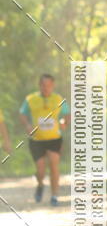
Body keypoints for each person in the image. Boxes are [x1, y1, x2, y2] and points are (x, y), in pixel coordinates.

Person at [19, 74, 70, 206]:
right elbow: (22, 113)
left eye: (48, 85)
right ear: (39, 85)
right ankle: (40, 184)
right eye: (43, 85)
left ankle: (54, 195)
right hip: (37, 139)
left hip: (54, 138)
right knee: (40, 170)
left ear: (53, 86)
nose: (45, 88)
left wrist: (64, 121)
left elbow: (67, 114)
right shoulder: (30, 99)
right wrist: (27, 125)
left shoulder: (58, 99)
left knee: (54, 164)